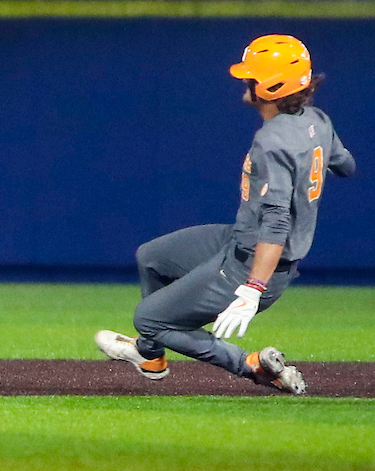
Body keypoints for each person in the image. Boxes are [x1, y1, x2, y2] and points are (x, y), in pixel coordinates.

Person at [94, 34, 354, 394]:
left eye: (251, 75)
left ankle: (250, 365)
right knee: (151, 258)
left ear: (268, 85)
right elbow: (346, 165)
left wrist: (252, 288)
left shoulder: (273, 140)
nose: (244, 80)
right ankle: (149, 356)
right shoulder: (317, 120)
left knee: (148, 318)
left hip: (255, 262)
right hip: (238, 239)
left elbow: (277, 223)